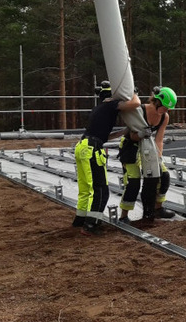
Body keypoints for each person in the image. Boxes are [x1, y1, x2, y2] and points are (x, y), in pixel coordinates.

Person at [73, 88, 141, 235]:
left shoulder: (99, 109)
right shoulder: (111, 105)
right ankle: (91, 225)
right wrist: (132, 91)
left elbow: (104, 136)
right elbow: (135, 103)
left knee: (85, 189)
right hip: (91, 149)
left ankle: (80, 220)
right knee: (101, 190)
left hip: (83, 146)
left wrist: (124, 131)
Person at [117, 86, 178, 223]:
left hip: (149, 147)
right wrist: (140, 135)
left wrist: (159, 158)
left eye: (168, 109)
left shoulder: (164, 117)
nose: (165, 111)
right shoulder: (139, 111)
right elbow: (130, 135)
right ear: (156, 101)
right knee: (133, 181)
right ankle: (124, 216)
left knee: (163, 176)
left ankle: (157, 209)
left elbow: (159, 139)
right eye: (164, 107)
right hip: (130, 145)